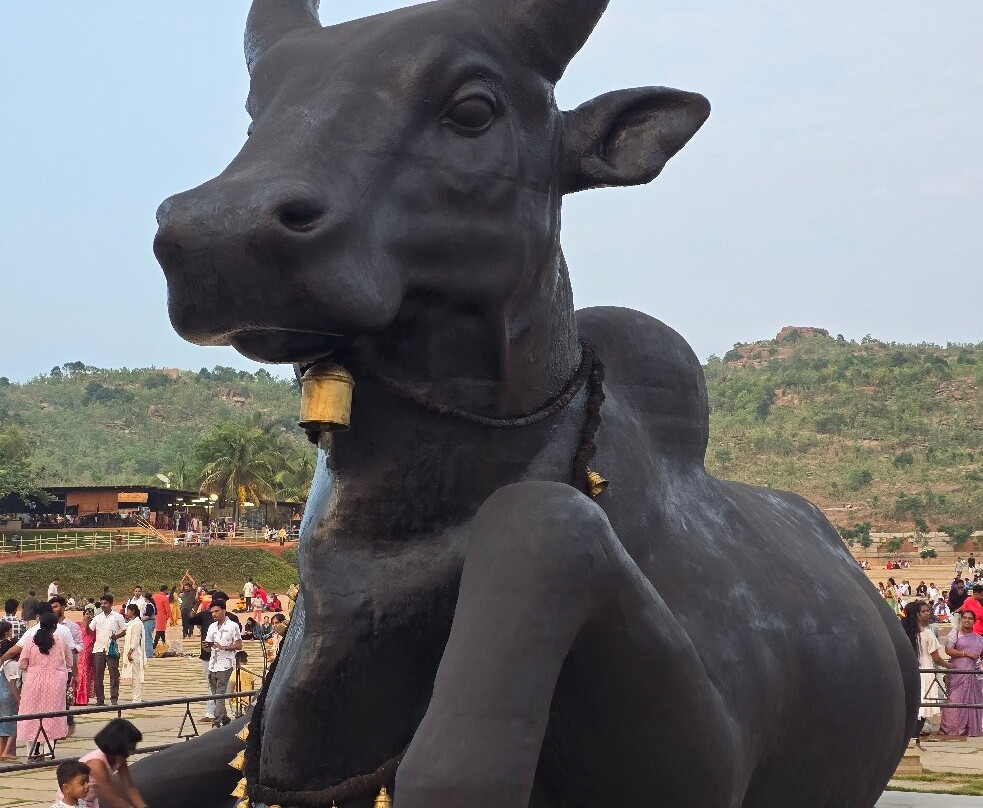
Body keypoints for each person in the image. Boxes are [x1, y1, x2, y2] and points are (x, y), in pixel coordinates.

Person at [18, 613, 73, 757]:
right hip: (56, 681)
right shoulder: (61, 641)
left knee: (31, 713)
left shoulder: (30, 641)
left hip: (34, 681)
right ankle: (48, 752)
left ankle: (31, 751)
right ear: (55, 627)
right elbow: (70, 662)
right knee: (52, 715)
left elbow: (22, 663)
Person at [901, 600, 955, 745]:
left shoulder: (905, 632)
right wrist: (948, 665)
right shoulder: (927, 634)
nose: (928, 613)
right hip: (925, 672)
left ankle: (911, 740)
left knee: (914, 708)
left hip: (911, 672)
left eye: (928, 610)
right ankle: (914, 739)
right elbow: (936, 658)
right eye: (924, 611)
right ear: (917, 614)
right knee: (923, 709)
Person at [69, 718, 148, 808]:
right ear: (118, 745)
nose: (132, 752)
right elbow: (113, 799)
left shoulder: (120, 759)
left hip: (89, 801)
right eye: (130, 747)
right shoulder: (96, 764)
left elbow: (130, 787)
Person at [941, 610, 983, 736]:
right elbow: (948, 650)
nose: (967, 620)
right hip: (958, 673)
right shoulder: (955, 634)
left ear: (974, 621)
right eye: (964, 618)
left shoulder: (979, 638)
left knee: (973, 701)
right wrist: (965, 653)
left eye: (970, 618)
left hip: (974, 675)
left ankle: (972, 728)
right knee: (955, 700)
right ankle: (951, 729)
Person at [203, 599, 242, 728]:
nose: (214, 614)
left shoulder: (233, 626)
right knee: (215, 696)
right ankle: (225, 719)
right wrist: (206, 646)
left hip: (225, 665)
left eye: (216, 611)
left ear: (224, 610)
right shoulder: (211, 627)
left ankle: (216, 722)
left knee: (220, 695)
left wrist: (224, 647)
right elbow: (208, 647)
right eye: (212, 612)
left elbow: (239, 645)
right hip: (212, 665)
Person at [91, 596, 126, 706]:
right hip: (98, 649)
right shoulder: (97, 618)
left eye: (105, 603)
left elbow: (125, 630)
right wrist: (86, 622)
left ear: (111, 604)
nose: (102, 605)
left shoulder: (118, 616)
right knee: (98, 676)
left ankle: (114, 698)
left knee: (114, 675)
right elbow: (89, 630)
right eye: (101, 603)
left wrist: (116, 636)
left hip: (112, 650)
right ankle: (100, 700)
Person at [0, 621, 19, 761]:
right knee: (12, 723)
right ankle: (7, 751)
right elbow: (13, 684)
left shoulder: (3, 663)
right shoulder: (12, 664)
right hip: (8, 696)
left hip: (1, 693)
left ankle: (2, 751)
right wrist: (19, 699)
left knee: (3, 723)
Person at [120, 605, 145, 703]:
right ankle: (135, 697)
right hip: (129, 652)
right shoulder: (131, 623)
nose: (126, 613)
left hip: (133, 653)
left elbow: (135, 639)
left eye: (128, 611)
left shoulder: (137, 624)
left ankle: (137, 699)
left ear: (133, 612)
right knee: (130, 676)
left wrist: (130, 652)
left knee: (135, 677)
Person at [75, 605, 96, 707]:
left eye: (91, 614)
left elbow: (89, 632)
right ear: (83, 615)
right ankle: (74, 697)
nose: (88, 615)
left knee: (84, 675)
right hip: (77, 653)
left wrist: (88, 623)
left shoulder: (93, 627)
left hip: (87, 654)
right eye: (87, 614)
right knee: (76, 675)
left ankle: (82, 698)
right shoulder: (77, 625)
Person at [151, 586, 170, 650]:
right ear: (165, 590)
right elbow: (168, 609)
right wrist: (171, 618)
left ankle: (164, 644)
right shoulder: (165, 598)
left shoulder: (154, 597)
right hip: (162, 616)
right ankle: (153, 647)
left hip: (155, 615)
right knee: (159, 632)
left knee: (162, 632)